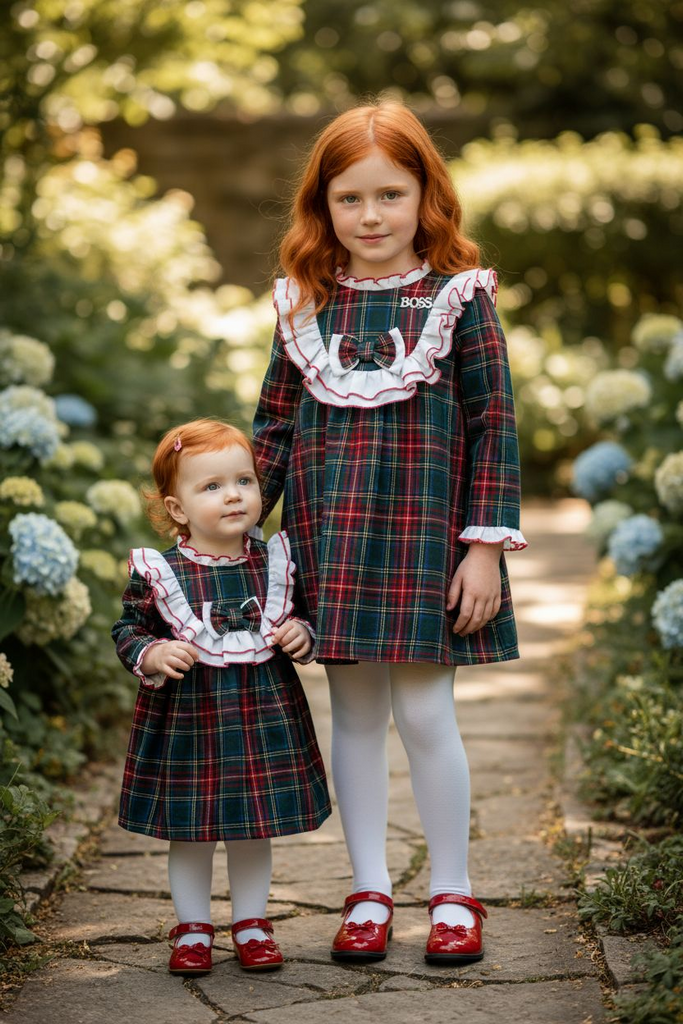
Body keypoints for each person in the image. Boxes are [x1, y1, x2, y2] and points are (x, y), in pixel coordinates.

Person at [252, 100, 527, 966]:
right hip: (330, 538)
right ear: (321, 205)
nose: (369, 217)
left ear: (425, 196)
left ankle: (452, 892)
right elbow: (272, 428)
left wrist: (483, 547)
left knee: (424, 714)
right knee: (356, 717)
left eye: (388, 195)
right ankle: (368, 889)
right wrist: (231, 543)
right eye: (348, 199)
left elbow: (494, 425)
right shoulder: (305, 307)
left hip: (423, 541)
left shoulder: (459, 298)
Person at [112, 419, 330, 976]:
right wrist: (154, 653)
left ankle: (252, 922)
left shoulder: (275, 565)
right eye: (211, 486)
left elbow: (299, 620)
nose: (233, 494)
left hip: (262, 714)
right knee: (192, 830)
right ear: (177, 508)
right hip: (190, 719)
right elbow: (129, 628)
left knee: (252, 827)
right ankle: (192, 929)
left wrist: (302, 634)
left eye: (244, 480)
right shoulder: (162, 573)